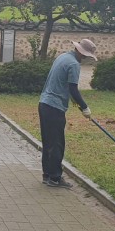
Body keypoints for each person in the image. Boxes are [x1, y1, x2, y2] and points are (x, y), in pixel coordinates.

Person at [38, 39, 97, 188]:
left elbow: (64, 85)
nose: (84, 58)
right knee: (57, 144)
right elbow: (73, 90)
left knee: (48, 142)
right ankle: (55, 178)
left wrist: (76, 104)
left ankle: (47, 175)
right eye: (84, 55)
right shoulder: (73, 64)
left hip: (44, 104)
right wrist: (85, 107)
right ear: (80, 52)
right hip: (54, 107)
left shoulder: (62, 57)